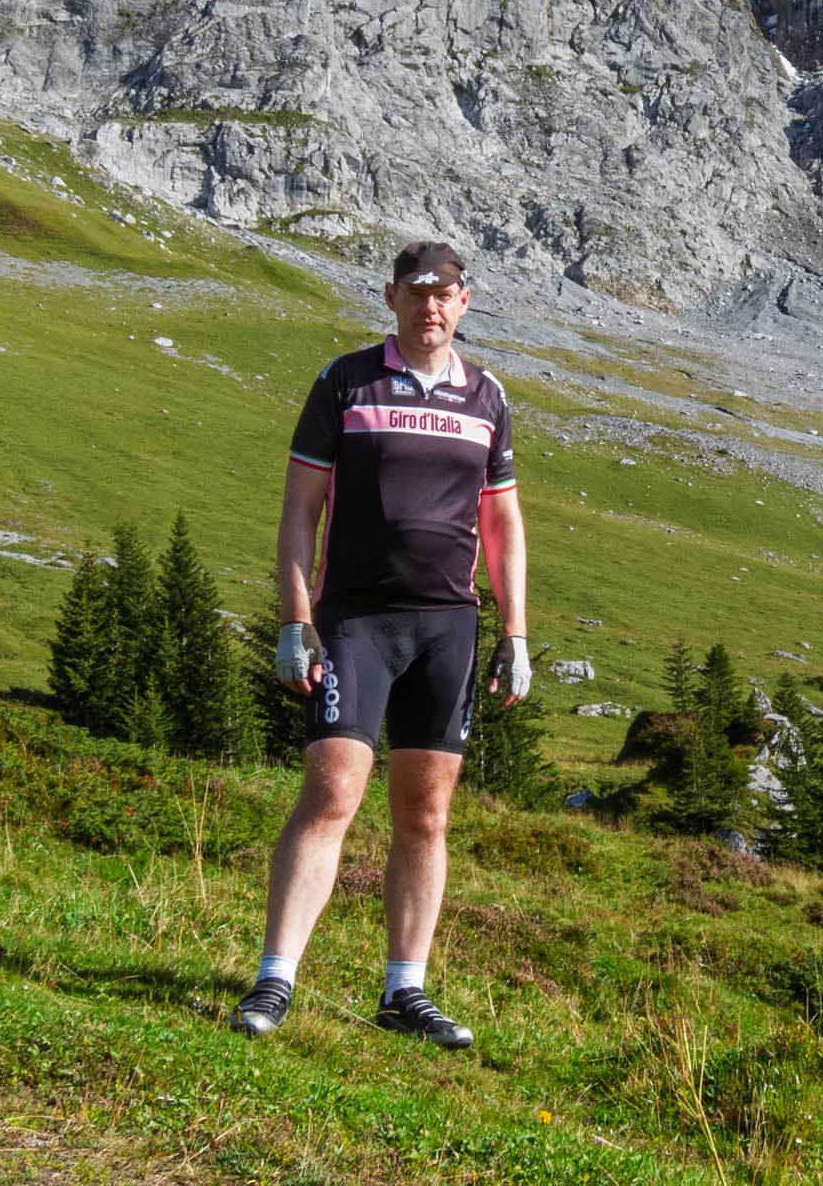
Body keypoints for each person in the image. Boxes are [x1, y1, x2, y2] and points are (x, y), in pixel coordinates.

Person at [228, 240, 531, 1046]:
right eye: (417, 293)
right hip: (356, 619)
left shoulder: (488, 395)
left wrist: (516, 631)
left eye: (447, 295)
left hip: (448, 624)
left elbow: (502, 523)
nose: (431, 307)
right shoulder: (345, 380)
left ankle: (406, 991)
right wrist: (296, 620)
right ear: (391, 297)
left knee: (425, 816)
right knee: (331, 791)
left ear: (465, 303)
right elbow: (301, 510)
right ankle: (275, 978)